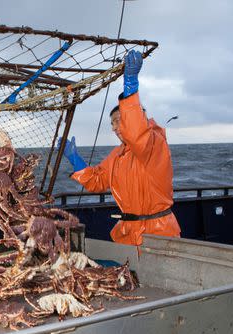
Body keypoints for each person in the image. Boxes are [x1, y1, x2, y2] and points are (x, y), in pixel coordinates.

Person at [61, 50, 181, 246]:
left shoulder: (154, 143)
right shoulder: (117, 155)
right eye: (112, 124)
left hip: (159, 234)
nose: (115, 127)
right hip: (128, 234)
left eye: (118, 121)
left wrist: (130, 87)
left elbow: (137, 131)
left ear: (135, 117)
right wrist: (75, 160)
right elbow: (97, 181)